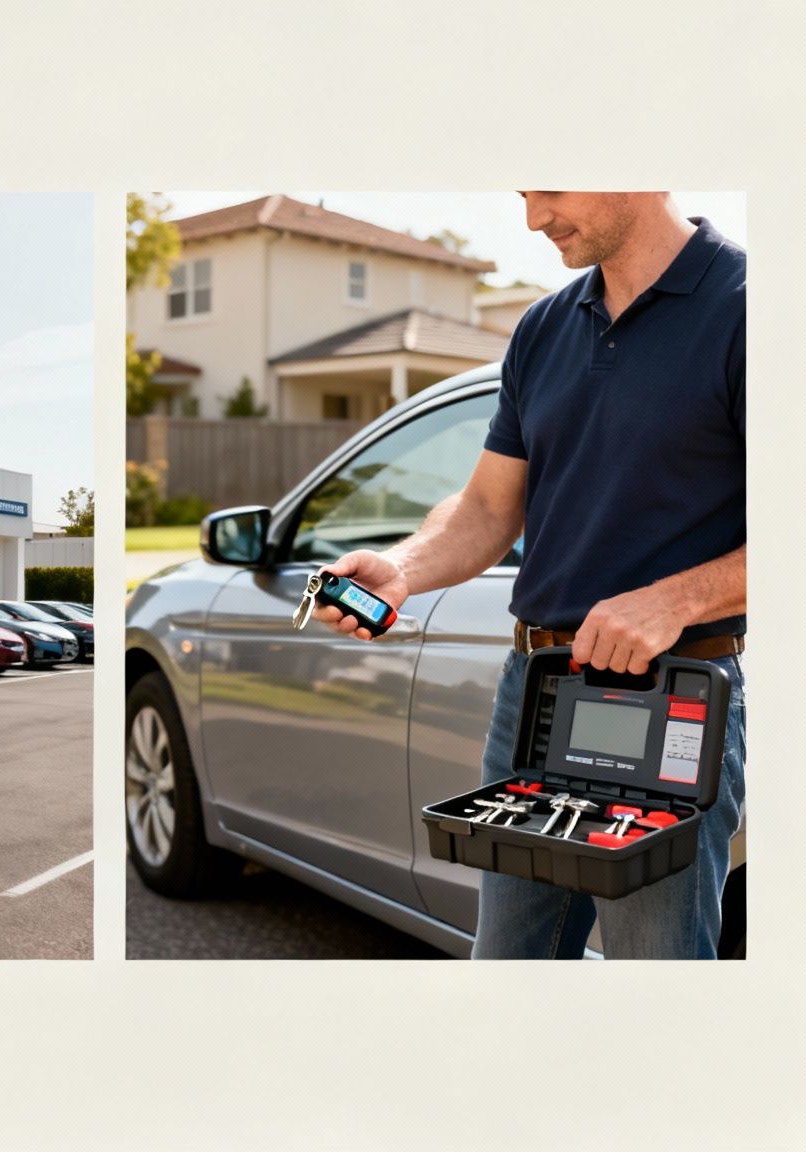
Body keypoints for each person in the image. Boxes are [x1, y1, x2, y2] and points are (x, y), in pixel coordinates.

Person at [315, 192, 745, 959]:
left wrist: (674, 600)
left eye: (550, 186)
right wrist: (403, 568)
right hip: (537, 689)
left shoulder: (751, 310)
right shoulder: (543, 327)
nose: (532, 217)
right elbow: (487, 505)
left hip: (674, 697)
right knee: (510, 965)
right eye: (522, 193)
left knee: (657, 979)